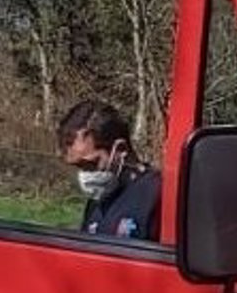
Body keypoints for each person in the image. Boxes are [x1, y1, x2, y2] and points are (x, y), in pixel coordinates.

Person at [56, 99, 162, 240]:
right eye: (79, 167)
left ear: (120, 150)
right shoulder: (99, 199)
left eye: (91, 164)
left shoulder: (157, 195)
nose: (86, 175)